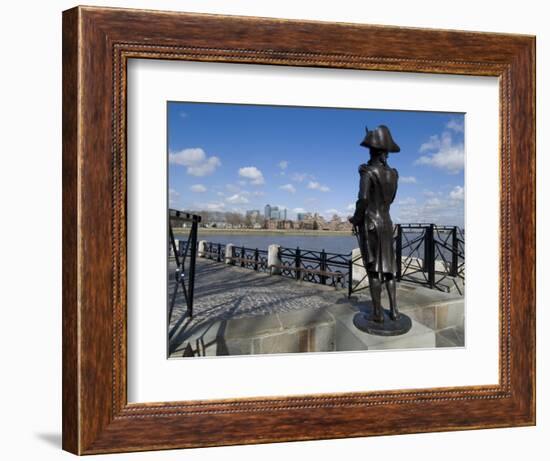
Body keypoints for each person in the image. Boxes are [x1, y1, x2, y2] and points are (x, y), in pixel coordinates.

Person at [349, 125, 400, 323]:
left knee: (374, 270)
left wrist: (355, 218)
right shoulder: (394, 174)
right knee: (389, 269)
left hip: (371, 225)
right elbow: (391, 199)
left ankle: (378, 313)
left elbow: (363, 199)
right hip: (387, 224)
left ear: (374, 151)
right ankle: (394, 310)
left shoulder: (367, 172)